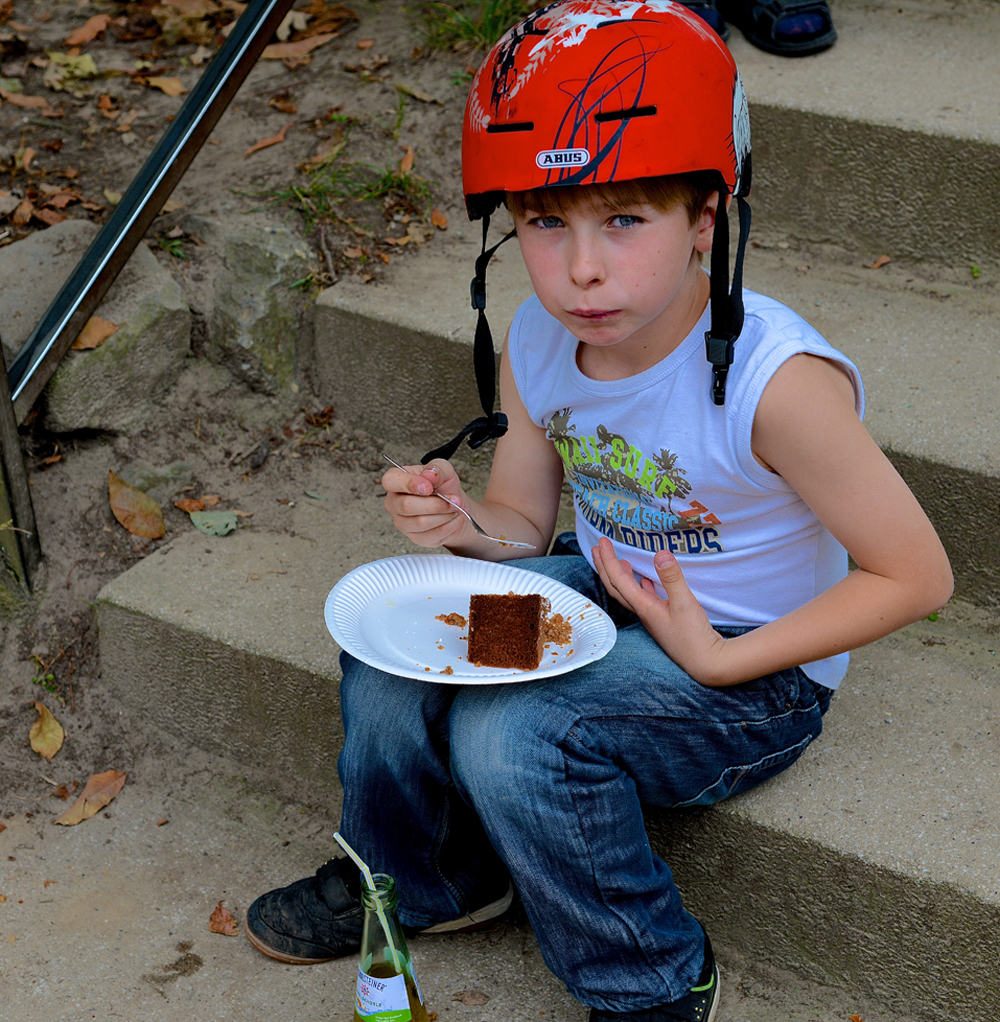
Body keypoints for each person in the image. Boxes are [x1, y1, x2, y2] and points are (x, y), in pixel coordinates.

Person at [245, 3, 951, 1020]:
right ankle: (424, 872)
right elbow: (524, 525)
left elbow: (916, 574)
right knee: (406, 626)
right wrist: (460, 531)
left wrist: (713, 657)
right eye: (545, 223)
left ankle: (649, 976)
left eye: (625, 219)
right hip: (598, 591)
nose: (581, 268)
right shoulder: (541, 338)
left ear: (703, 219)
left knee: (513, 731)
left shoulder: (775, 381)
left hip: (752, 663)